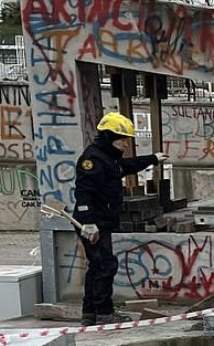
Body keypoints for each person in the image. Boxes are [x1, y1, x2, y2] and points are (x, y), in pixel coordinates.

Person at [71, 111, 165, 324]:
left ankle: (90, 314)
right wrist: (88, 222)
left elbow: (126, 166)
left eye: (127, 140)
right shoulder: (92, 160)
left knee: (97, 267)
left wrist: (153, 159)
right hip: (93, 222)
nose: (125, 144)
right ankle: (104, 314)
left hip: (100, 220)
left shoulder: (109, 158)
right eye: (121, 139)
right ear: (108, 137)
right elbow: (83, 191)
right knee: (105, 265)